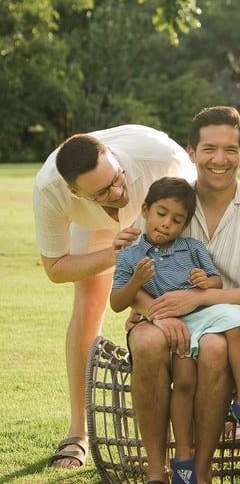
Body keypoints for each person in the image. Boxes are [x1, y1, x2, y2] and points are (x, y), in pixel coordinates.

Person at [126, 106, 240, 484]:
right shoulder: (168, 200)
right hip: (159, 315)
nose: (220, 159)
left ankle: (200, 471)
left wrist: (197, 300)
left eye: (231, 149)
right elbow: (130, 272)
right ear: (191, 152)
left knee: (214, 347)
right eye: (209, 149)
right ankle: (156, 471)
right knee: (148, 343)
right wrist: (155, 311)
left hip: (223, 327)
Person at [32, 124, 195, 469]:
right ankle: (78, 432)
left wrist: (149, 299)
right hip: (94, 228)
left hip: (160, 202)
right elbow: (56, 267)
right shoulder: (50, 189)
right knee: (89, 300)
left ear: (114, 158)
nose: (118, 192)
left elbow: (192, 231)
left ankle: (193, 423)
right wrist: (113, 256)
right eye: (104, 191)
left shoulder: (161, 159)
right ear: (76, 192)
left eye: (117, 178)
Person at [111, 176, 240, 483]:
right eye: (161, 213)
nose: (167, 224)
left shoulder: (192, 247)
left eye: (177, 220)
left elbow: (215, 282)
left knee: (236, 320)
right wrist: (136, 282)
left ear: (184, 225)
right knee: (184, 383)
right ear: (145, 210)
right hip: (169, 327)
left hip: (200, 317)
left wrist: (203, 281)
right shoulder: (130, 256)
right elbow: (117, 302)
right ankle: (182, 459)